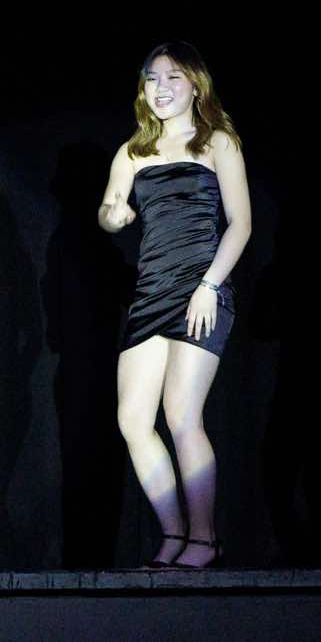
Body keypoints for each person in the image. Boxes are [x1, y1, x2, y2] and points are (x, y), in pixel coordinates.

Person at [99, 41, 251, 567]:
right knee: (133, 420)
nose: (161, 88)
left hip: (200, 289)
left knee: (182, 414)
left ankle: (204, 539)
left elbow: (241, 224)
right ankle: (173, 533)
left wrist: (209, 285)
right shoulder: (132, 151)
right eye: (152, 79)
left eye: (173, 78)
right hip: (151, 293)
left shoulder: (217, 141)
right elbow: (109, 209)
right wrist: (113, 216)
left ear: (195, 85)